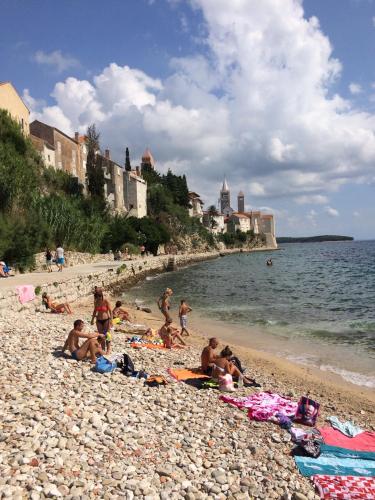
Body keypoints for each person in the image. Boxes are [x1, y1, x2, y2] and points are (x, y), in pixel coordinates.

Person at [91, 288, 112, 354]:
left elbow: (110, 311)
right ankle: (103, 349)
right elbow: (95, 311)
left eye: (99, 297)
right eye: (97, 297)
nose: (99, 298)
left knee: (107, 334)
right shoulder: (96, 302)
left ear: (101, 296)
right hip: (98, 320)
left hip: (106, 320)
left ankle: (108, 349)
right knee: (101, 335)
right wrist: (92, 319)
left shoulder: (106, 301)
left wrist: (111, 321)